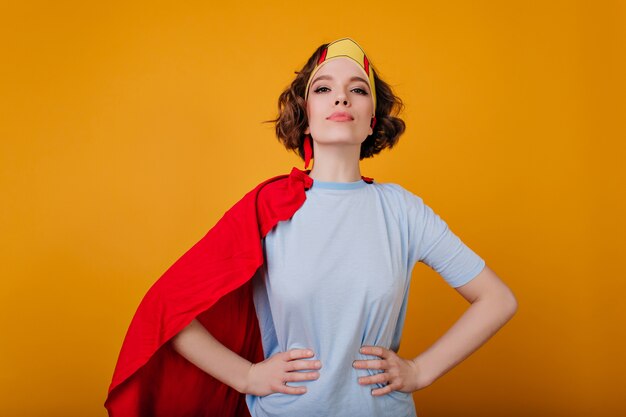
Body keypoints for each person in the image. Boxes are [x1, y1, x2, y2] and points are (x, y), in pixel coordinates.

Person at [105, 38, 517, 417]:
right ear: (304, 118)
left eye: (358, 89)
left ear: (372, 120)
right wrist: (247, 377)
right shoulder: (268, 207)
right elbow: (168, 308)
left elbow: (497, 299)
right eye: (323, 88)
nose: (341, 95)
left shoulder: (403, 211)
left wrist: (420, 370)